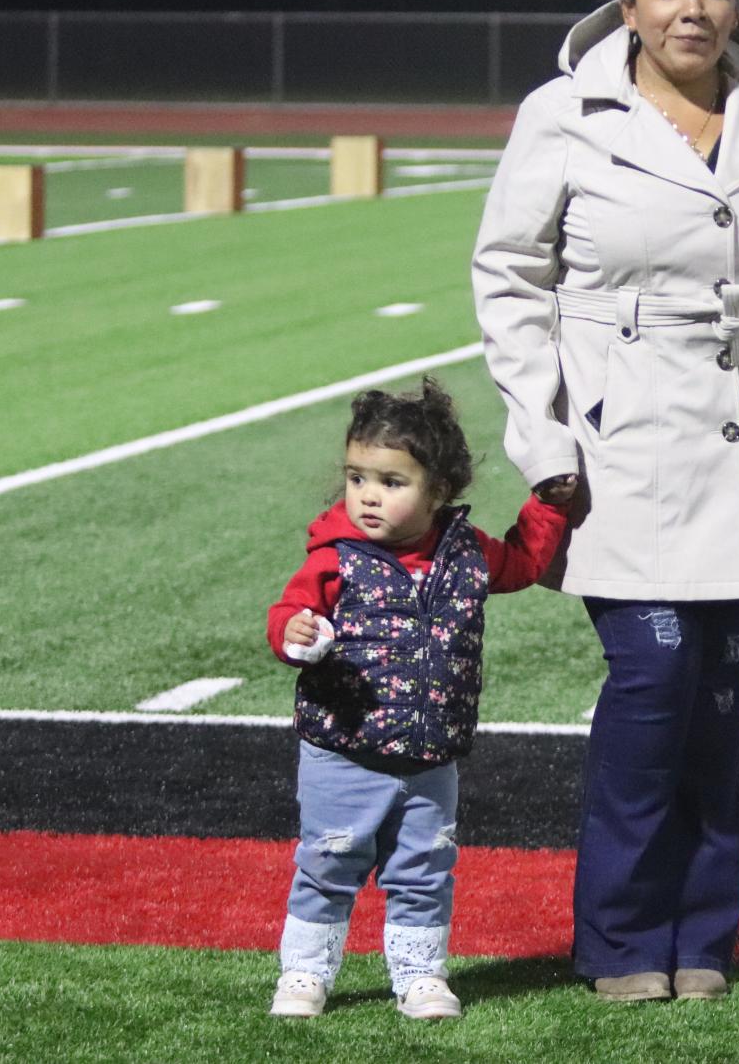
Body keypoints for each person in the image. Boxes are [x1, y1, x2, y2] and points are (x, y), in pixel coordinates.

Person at [472, 0, 739, 1003]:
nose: (695, 6)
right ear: (627, 3)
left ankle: (704, 932)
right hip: (621, 445)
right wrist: (542, 439)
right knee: (653, 680)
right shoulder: (564, 112)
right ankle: (623, 933)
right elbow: (509, 278)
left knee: (719, 696)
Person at [264, 379, 570, 1020]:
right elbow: (290, 615)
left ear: (439, 491)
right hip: (342, 753)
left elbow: (523, 563)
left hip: (432, 758)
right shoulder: (334, 557)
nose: (368, 495)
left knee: (425, 871)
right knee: (328, 864)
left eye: (391, 482)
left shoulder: (466, 552)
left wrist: (550, 504)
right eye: (357, 477)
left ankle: (420, 975)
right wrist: (295, 635)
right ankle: (305, 974)